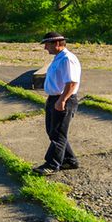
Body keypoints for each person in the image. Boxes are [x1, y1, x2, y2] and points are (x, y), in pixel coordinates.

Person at [33, 32, 82, 176]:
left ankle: (52, 164)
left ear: (56, 43)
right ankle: (70, 160)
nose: (45, 48)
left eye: (46, 44)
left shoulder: (67, 59)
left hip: (64, 99)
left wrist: (62, 100)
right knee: (52, 131)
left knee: (58, 134)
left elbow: (72, 82)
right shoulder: (58, 58)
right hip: (55, 98)